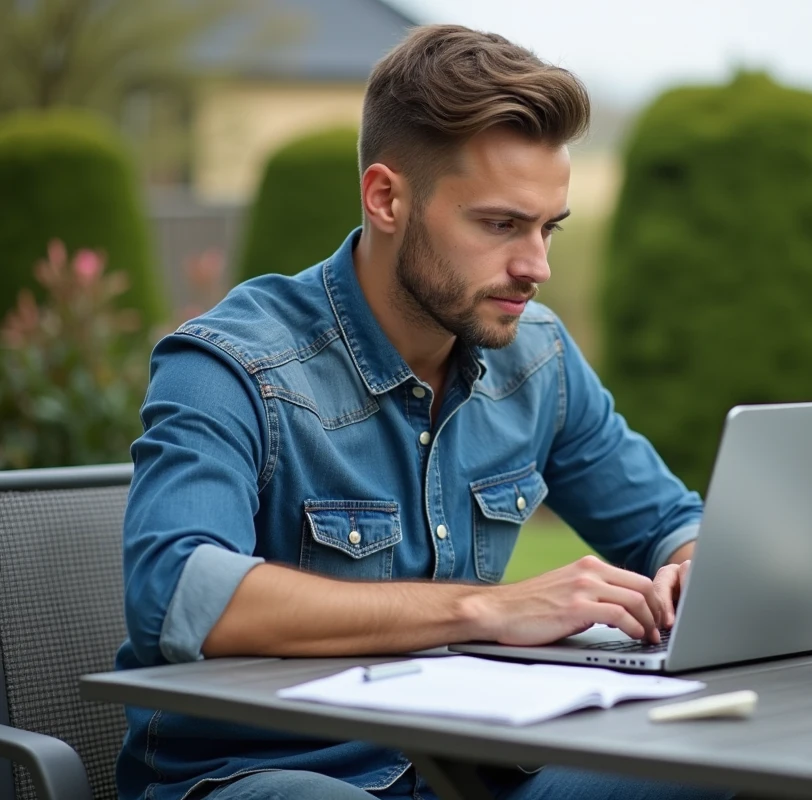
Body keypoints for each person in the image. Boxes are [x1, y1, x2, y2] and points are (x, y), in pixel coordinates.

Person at [116, 23, 735, 800]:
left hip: (472, 772)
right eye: (500, 224)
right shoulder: (231, 365)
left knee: (721, 770)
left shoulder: (536, 355)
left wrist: (692, 571)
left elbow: (668, 526)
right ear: (386, 198)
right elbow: (177, 592)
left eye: (549, 227)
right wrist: (488, 609)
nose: (535, 266)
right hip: (267, 777)